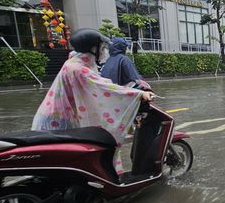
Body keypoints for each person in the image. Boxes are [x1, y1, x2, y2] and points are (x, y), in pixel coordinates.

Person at [32, 29, 153, 173]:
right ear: (93, 49)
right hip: (60, 121)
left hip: (58, 117)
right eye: (102, 48)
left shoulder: (74, 62)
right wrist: (139, 93)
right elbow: (104, 86)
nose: (104, 52)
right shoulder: (79, 69)